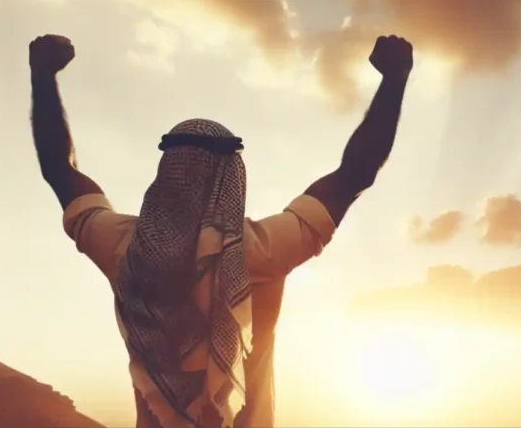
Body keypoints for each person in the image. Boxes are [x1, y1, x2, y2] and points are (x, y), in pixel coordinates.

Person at [29, 33, 413, 428]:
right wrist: (395, 79)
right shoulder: (261, 251)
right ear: (232, 175)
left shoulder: (124, 247)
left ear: (166, 172)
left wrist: (42, 78)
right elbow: (355, 174)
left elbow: (60, 171)